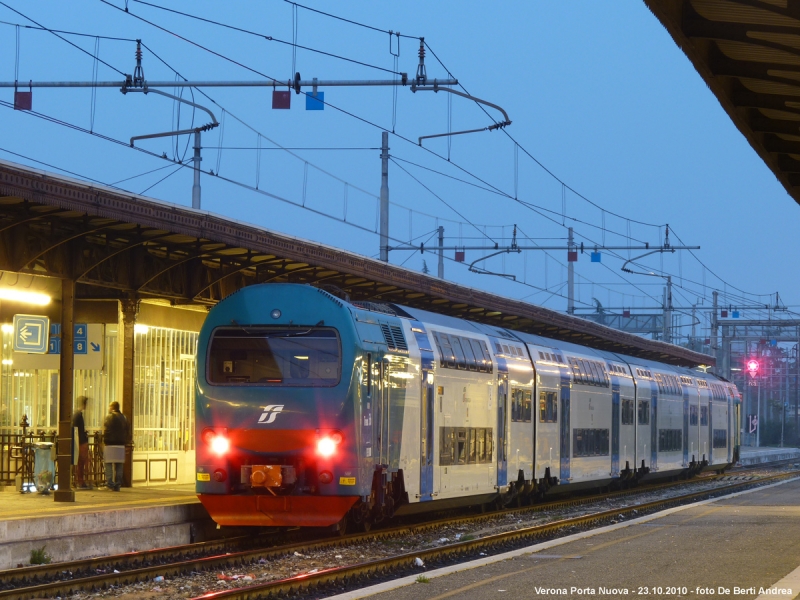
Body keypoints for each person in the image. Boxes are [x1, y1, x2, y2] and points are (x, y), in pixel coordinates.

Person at [103, 401, 129, 491]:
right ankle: (118, 485)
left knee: (108, 464)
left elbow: (106, 430)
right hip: (121, 444)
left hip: (110, 444)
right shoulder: (124, 417)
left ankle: (110, 484)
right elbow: (127, 430)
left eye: (109, 406)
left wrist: (104, 440)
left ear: (112, 407)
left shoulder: (109, 417)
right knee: (119, 465)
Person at [72, 396, 90, 489]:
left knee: (80, 462)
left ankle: (79, 480)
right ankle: (80, 481)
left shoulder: (76, 414)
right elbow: (76, 430)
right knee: (81, 462)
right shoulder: (78, 415)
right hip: (80, 441)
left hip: (79, 441)